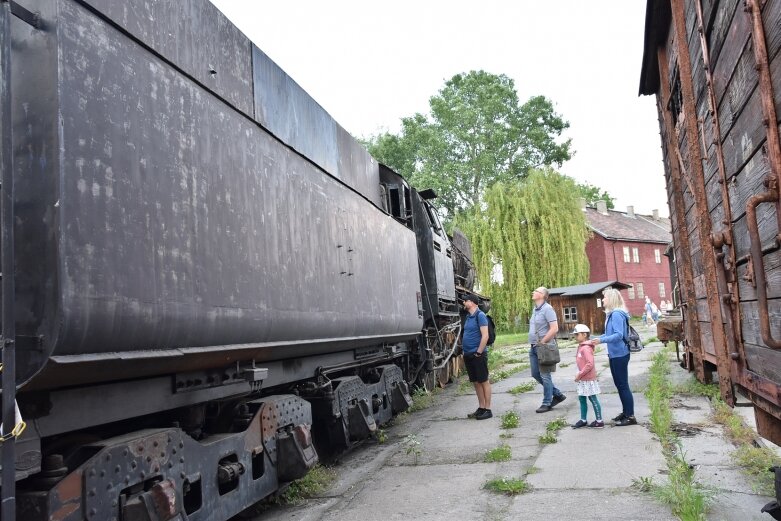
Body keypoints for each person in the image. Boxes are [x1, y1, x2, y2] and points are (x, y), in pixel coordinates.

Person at [590, 288, 637, 426]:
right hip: (615, 354)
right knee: (619, 384)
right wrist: (596, 338)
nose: (603, 300)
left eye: (604, 297)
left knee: (623, 385)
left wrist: (601, 340)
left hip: (620, 354)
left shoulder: (616, 314)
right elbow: (610, 333)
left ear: (611, 299)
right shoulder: (612, 314)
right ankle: (626, 412)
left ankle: (630, 416)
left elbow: (618, 335)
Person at [528, 287, 566, 413]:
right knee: (535, 374)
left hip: (543, 348)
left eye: (536, 291)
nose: (533, 292)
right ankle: (557, 394)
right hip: (534, 347)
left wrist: (543, 342)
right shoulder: (535, 309)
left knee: (545, 375)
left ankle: (547, 402)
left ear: (542, 295)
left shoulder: (548, 309)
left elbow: (554, 328)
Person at [461, 295, 492, 420]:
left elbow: (485, 336)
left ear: (473, 302)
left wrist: (479, 352)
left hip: (477, 354)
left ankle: (488, 409)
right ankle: (481, 407)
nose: (463, 302)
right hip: (469, 354)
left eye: (465, 300)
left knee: (484, 381)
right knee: (476, 382)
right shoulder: (468, 317)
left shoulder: (480, 316)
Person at [571, 324, 603, 429]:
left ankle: (599, 421)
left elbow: (590, 363)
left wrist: (580, 374)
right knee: (582, 398)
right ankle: (583, 419)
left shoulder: (586, 348)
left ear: (584, 335)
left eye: (577, 334)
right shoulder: (581, 346)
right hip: (582, 379)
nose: (575, 336)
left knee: (592, 398)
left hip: (587, 378)